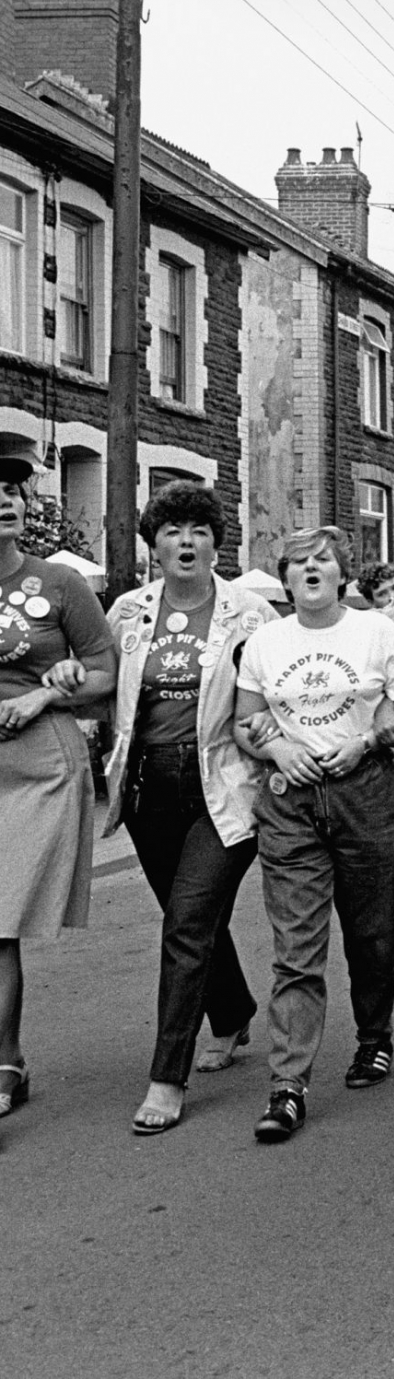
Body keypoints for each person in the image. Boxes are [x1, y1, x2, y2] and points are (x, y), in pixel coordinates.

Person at [234, 527, 394, 1143]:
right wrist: (278, 746)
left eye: (323, 560)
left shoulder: (378, 634)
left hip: (366, 794)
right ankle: (288, 1086)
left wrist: (369, 738)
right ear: (285, 579)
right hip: (291, 802)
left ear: (342, 572)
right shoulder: (266, 641)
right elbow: (246, 722)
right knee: (296, 950)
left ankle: (375, 1038)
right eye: (299, 563)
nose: (311, 569)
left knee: (371, 935)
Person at [107, 483, 279, 1136]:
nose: (186, 540)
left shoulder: (251, 614)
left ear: (215, 541)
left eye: (198, 529)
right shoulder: (128, 613)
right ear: (154, 543)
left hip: (223, 783)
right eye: (172, 529)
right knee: (193, 917)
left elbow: (271, 694)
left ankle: (166, 1075)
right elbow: (108, 688)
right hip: (150, 785)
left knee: (186, 919)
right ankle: (231, 1012)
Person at [0, 455, 116, 1124]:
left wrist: (49, 689)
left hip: (39, 764)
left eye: (12, 490)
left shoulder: (59, 583)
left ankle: (5, 1061)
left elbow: (104, 671)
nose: (5, 501)